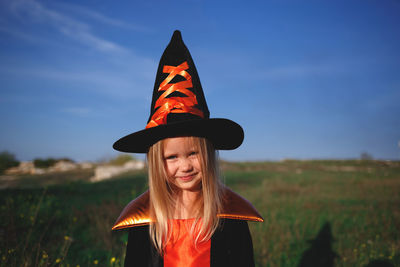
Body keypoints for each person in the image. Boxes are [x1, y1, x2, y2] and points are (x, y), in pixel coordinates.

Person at [112, 30, 263, 267]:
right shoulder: (145, 220)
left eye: (193, 153)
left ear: (208, 153)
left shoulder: (230, 216)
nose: (185, 166)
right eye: (172, 157)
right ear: (156, 163)